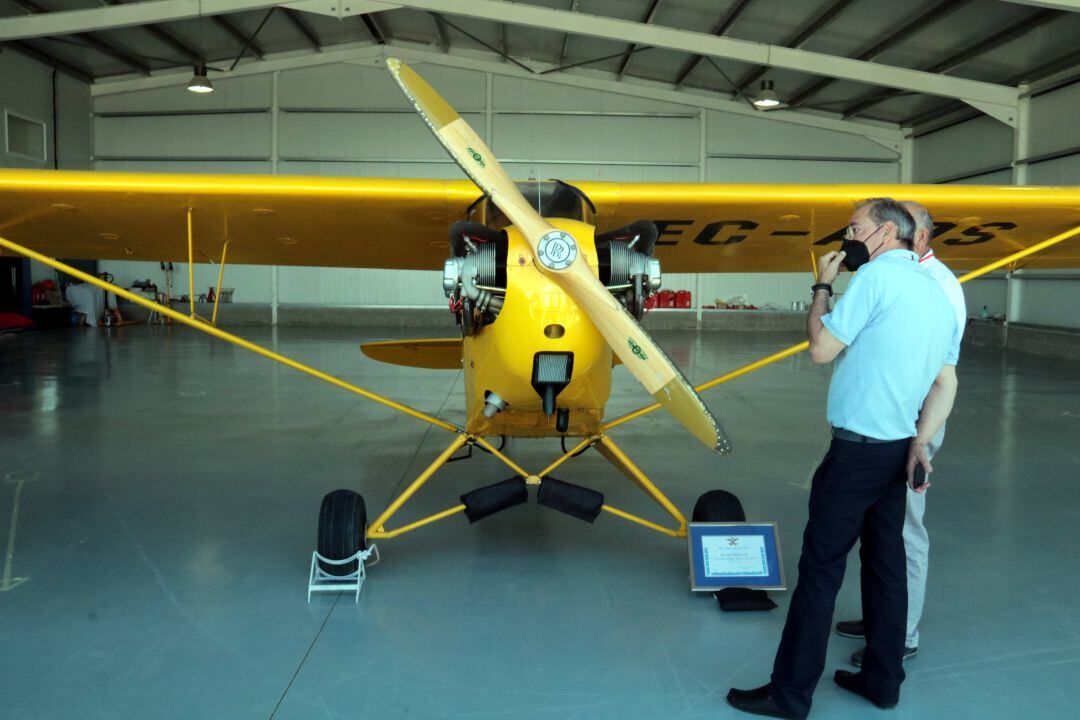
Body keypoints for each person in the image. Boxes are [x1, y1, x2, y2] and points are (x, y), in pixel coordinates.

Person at [727, 198, 959, 719]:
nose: (848, 237)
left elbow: (821, 349)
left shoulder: (874, 280)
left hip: (856, 453)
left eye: (855, 227)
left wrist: (822, 288)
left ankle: (789, 695)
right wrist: (920, 442)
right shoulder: (938, 291)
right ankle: (883, 681)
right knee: (886, 568)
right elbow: (947, 382)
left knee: (820, 571)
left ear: (884, 233)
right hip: (898, 450)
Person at [835, 201, 966, 667]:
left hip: (912, 425)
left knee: (905, 531)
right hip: (885, 422)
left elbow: (942, 377)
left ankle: (901, 633)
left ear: (918, 236)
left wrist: (919, 440)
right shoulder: (897, 277)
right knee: (880, 529)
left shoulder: (938, 287)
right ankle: (882, 619)